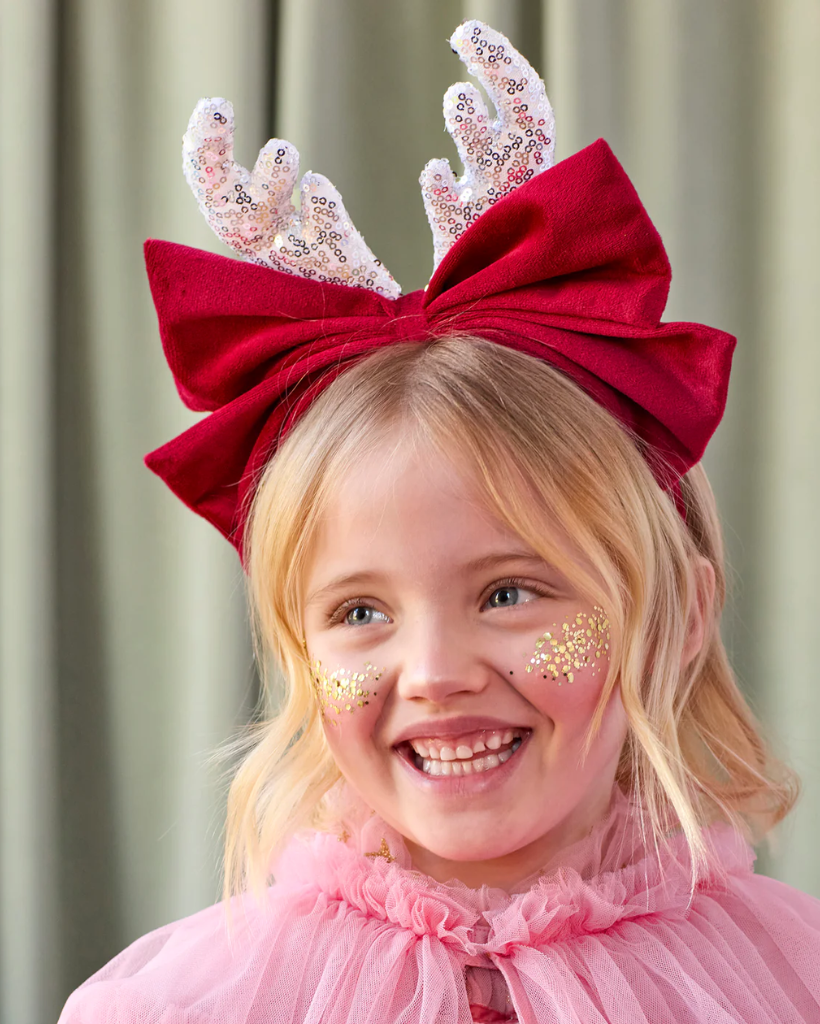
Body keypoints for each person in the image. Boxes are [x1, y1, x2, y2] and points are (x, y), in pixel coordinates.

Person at [58, 20, 820, 1024]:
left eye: (507, 591)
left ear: (678, 614)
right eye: (360, 612)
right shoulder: (196, 1003)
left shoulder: (784, 981)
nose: (432, 672)